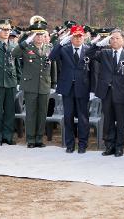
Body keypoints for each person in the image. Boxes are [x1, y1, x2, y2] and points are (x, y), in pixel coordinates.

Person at [85, 29, 124, 157]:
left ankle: (119, 146)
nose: (114, 40)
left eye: (117, 38)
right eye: (112, 38)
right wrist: (98, 43)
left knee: (120, 120)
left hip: (122, 93)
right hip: (106, 92)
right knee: (108, 120)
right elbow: (88, 53)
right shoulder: (104, 53)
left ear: (123, 40)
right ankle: (109, 145)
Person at [49, 25, 92, 154]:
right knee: (68, 117)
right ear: (71, 38)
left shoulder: (88, 50)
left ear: (83, 37)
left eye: (80, 36)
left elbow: (94, 70)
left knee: (83, 118)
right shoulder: (65, 49)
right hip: (68, 88)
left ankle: (83, 144)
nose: (78, 39)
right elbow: (52, 56)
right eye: (75, 36)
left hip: (83, 88)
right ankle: (70, 144)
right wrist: (61, 43)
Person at [12, 22, 55, 148]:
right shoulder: (26, 47)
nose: (39, 37)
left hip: (44, 85)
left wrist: (53, 83)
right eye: (36, 35)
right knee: (31, 113)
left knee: (42, 113)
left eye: (41, 34)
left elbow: (53, 66)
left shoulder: (49, 48)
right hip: (30, 85)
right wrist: (26, 41)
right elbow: (14, 53)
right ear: (32, 36)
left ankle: (39, 139)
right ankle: (30, 139)